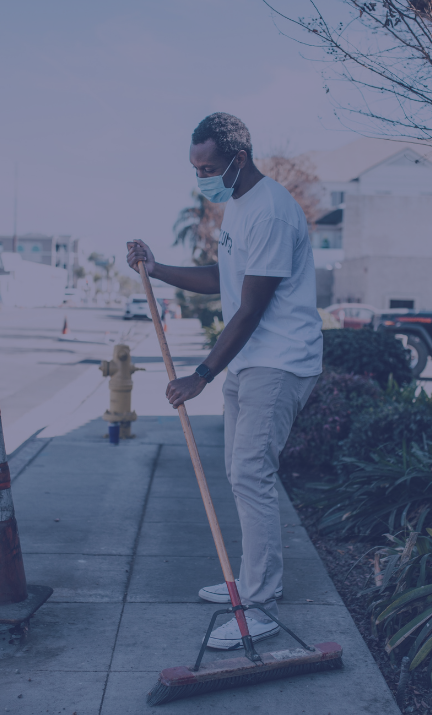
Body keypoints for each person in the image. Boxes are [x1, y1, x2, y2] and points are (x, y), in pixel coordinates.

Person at [127, 113, 323, 650]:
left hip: (279, 362)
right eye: (195, 168)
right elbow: (224, 281)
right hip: (250, 362)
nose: (201, 178)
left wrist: (201, 375)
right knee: (241, 476)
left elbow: (251, 309)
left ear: (238, 159)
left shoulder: (275, 213)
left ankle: (259, 606)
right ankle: (247, 581)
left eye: (208, 167)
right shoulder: (239, 206)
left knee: (252, 474)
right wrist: (158, 269)